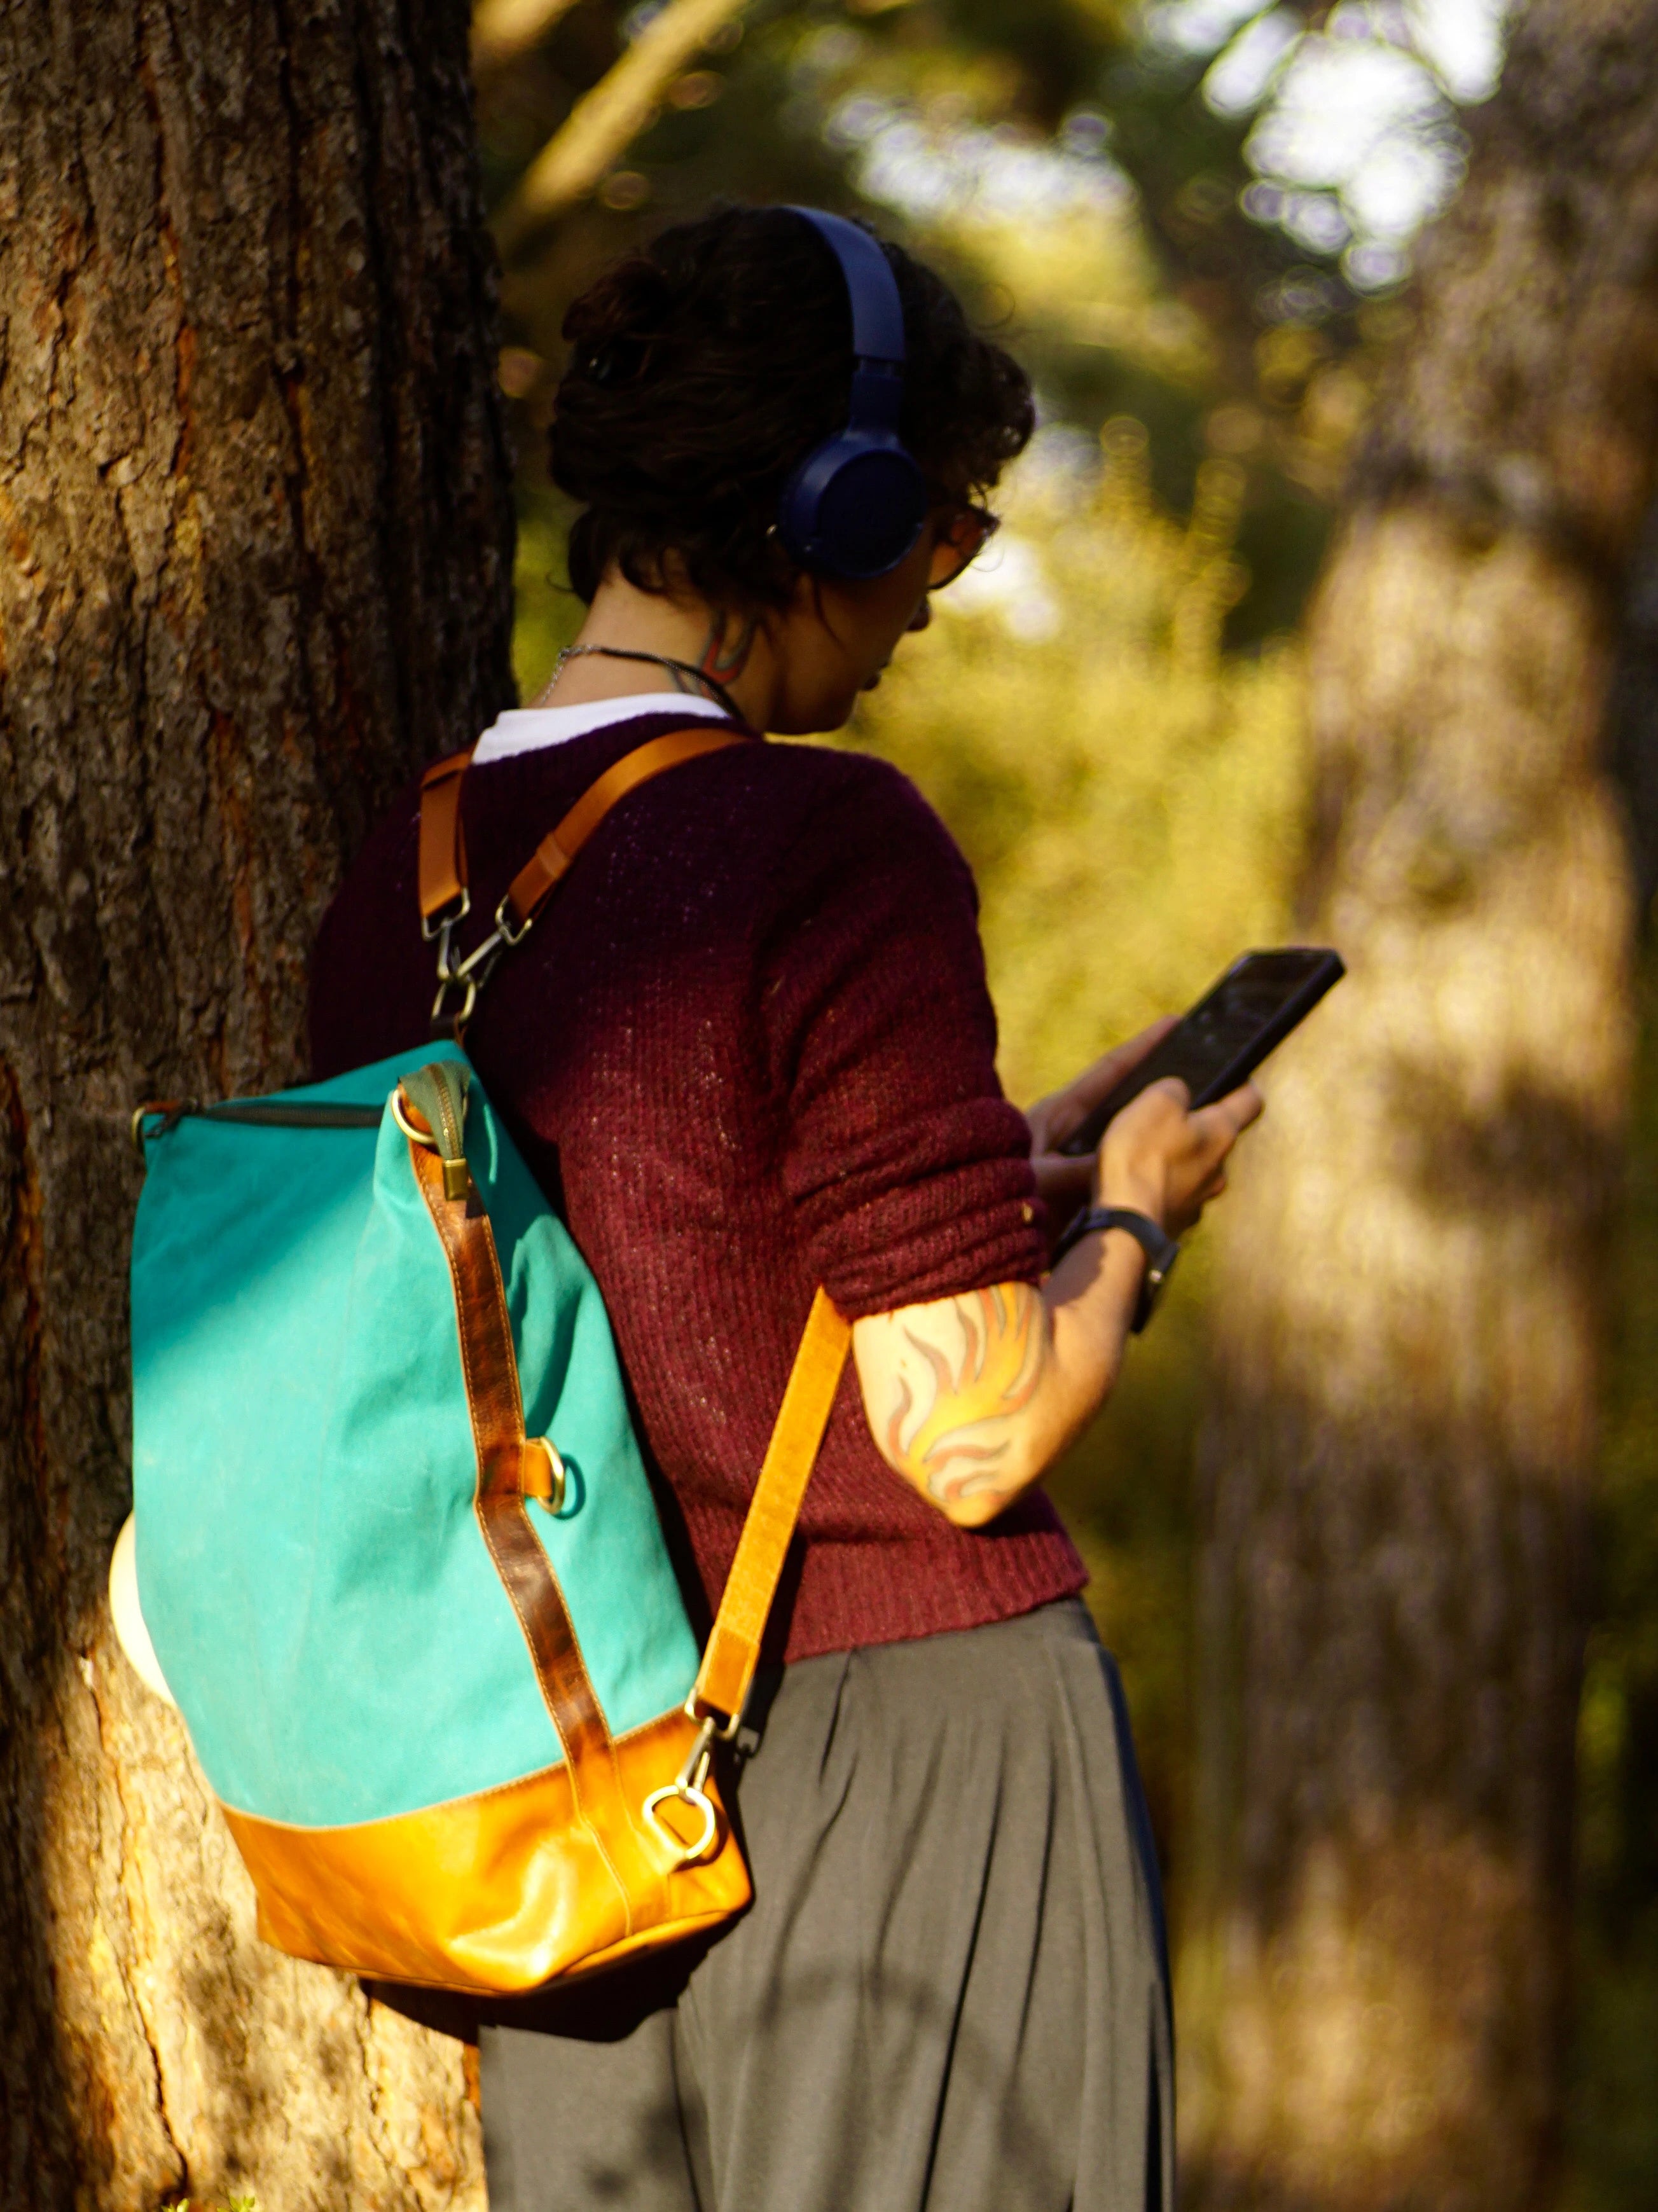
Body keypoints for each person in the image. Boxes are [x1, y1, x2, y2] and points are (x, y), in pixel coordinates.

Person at [308, 203, 1260, 2212]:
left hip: (575, 1807)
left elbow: (664, 1248)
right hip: (908, 1776)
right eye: (937, 530)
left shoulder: (404, 871)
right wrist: (1139, 1224)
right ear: (831, 508)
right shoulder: (825, 841)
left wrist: (1012, 1178)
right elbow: (969, 1427)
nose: (930, 596)